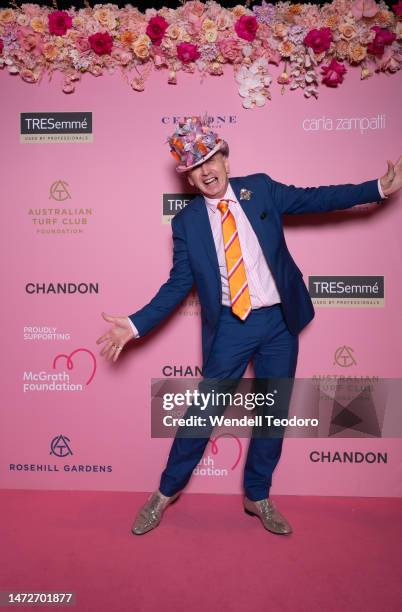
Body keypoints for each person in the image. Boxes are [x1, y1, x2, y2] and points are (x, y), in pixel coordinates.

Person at [96, 115, 401, 536]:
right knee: (202, 414)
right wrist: (134, 324)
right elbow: (178, 284)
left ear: (224, 156)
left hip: (278, 322)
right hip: (232, 328)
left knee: (273, 416)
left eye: (210, 158)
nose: (205, 171)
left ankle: (257, 496)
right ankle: (165, 493)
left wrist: (378, 189)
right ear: (188, 180)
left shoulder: (259, 188)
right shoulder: (186, 224)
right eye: (194, 167)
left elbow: (315, 199)